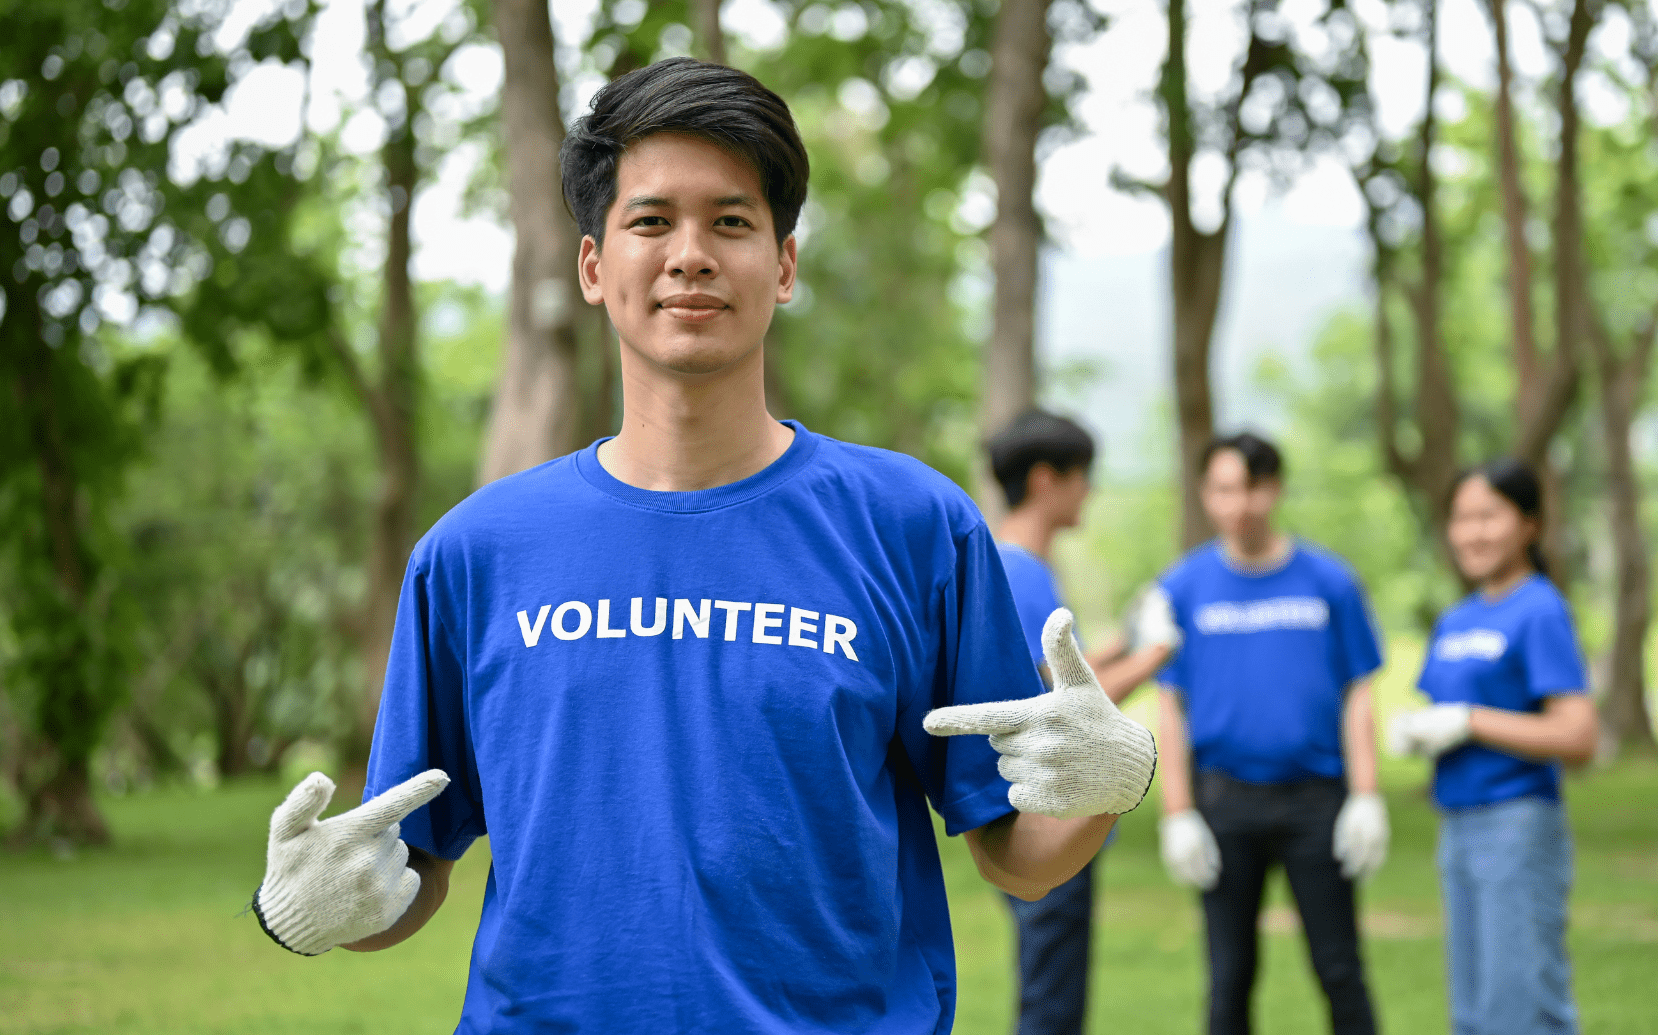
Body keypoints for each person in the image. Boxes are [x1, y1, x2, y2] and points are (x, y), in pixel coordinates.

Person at [245, 57, 1158, 1035]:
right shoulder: (476, 554)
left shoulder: (913, 530)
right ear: (594, 266)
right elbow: (413, 868)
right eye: (650, 222)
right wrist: (315, 908)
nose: (690, 254)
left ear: (785, 263)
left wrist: (1114, 780)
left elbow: (1014, 853)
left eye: (730, 222)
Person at [1154, 432, 1388, 1035]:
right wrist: (1176, 811)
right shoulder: (1183, 588)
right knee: (1229, 975)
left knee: (1338, 968)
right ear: (1207, 494)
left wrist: (1366, 794)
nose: (1241, 503)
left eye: (1254, 487)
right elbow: (1170, 705)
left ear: (1275, 490)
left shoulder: (1328, 581)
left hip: (1317, 800)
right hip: (1224, 801)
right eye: (1226, 488)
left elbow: (1358, 690)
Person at [984, 409, 1180, 1035]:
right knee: (1052, 1005)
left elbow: (1050, 678)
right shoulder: (1017, 572)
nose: (1089, 492)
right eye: (1082, 477)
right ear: (1046, 481)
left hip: (1041, 812)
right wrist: (1154, 657)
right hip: (1045, 818)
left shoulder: (1010, 565)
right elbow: (1055, 710)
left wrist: (1123, 643)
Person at [1390, 458, 1597, 1035]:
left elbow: (1578, 737)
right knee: (1475, 1014)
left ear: (1530, 523)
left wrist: (1473, 720)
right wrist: (1420, 730)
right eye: (1461, 518)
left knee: (1521, 1007)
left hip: (1517, 825)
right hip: (1457, 826)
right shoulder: (1457, 619)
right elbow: (1445, 713)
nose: (1472, 533)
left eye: (1489, 516)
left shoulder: (1539, 608)